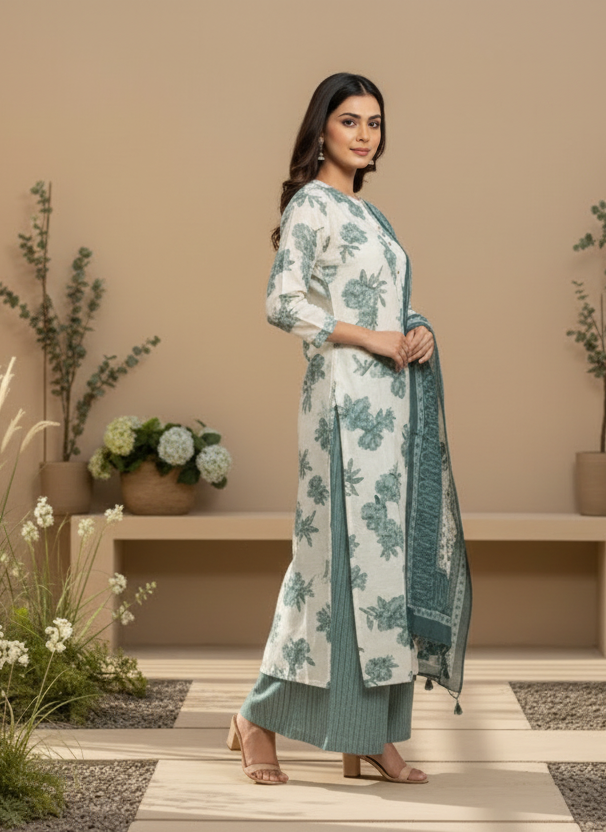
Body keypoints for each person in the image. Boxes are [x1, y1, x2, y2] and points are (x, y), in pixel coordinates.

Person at [228, 72, 471, 786]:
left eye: (374, 122)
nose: (365, 134)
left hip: (391, 413)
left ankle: (372, 733)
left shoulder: (371, 215)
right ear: (322, 130)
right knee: (329, 567)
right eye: (350, 121)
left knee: (383, 572)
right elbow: (282, 302)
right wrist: (370, 337)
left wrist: (417, 329)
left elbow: (392, 306)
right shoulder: (311, 205)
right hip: (341, 409)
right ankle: (256, 719)